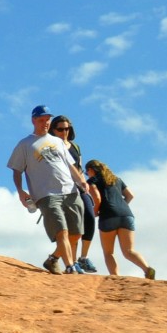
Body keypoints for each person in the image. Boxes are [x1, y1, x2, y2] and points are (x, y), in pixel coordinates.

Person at [8, 105, 85, 273]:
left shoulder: (57, 141)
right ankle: (71, 266)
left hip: (70, 190)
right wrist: (21, 191)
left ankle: (53, 259)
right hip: (46, 195)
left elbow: (70, 165)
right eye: (41, 120)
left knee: (76, 233)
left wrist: (81, 181)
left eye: (47, 120)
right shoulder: (25, 144)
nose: (45, 123)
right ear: (33, 120)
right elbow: (16, 170)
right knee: (62, 232)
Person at [85, 159, 156, 279]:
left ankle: (115, 277)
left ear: (91, 170)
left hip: (107, 215)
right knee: (129, 251)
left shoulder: (92, 181)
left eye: (87, 172)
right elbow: (130, 195)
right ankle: (147, 269)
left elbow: (97, 198)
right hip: (126, 215)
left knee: (108, 252)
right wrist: (122, 207)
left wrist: (95, 211)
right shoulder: (116, 179)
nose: (87, 175)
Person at [58, 116, 101, 273]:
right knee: (73, 225)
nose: (64, 132)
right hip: (63, 188)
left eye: (67, 128)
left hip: (79, 186)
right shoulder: (52, 146)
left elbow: (79, 167)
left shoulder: (75, 147)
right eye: (61, 129)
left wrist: (84, 182)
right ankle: (72, 261)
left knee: (89, 217)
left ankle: (83, 257)